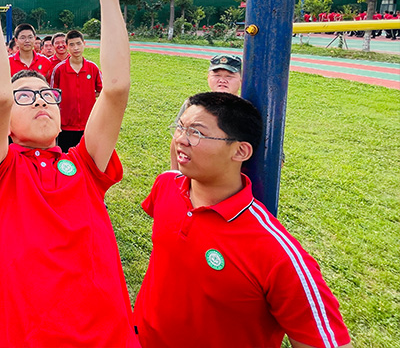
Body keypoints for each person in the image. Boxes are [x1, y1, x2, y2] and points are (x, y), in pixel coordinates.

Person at [0, 0, 136, 347]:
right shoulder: (0, 171)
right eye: (27, 96)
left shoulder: (87, 164)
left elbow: (117, 90)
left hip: (104, 334)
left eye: (46, 94)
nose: (40, 100)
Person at [133, 92, 352, 348]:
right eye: (180, 127)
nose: (181, 139)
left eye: (197, 133)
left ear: (240, 151)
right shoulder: (166, 187)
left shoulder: (278, 255)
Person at [170, 53, 242, 170]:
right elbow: (177, 140)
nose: (222, 80)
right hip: (197, 172)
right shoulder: (192, 105)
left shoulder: (246, 110)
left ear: (241, 80)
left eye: (229, 76)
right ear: (208, 77)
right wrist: (175, 173)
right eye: (216, 75)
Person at [49, 29, 103, 153]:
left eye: (78, 44)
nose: (76, 48)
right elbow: (53, 95)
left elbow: (102, 91)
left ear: (84, 44)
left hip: (88, 124)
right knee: (65, 159)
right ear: (67, 47)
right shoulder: (59, 69)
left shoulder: (92, 68)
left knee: (87, 157)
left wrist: (88, 96)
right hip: (65, 126)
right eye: (72, 45)